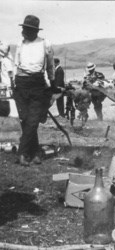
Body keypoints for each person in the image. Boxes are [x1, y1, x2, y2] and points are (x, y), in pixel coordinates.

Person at [13, 15, 61, 166]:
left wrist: (53, 85)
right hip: (21, 84)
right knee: (26, 120)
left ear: (35, 31)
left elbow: (50, 67)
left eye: (28, 29)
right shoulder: (20, 43)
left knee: (33, 121)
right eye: (24, 28)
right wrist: (14, 83)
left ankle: (22, 153)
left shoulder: (45, 44)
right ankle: (35, 154)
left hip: (37, 84)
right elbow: (15, 64)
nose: (24, 31)